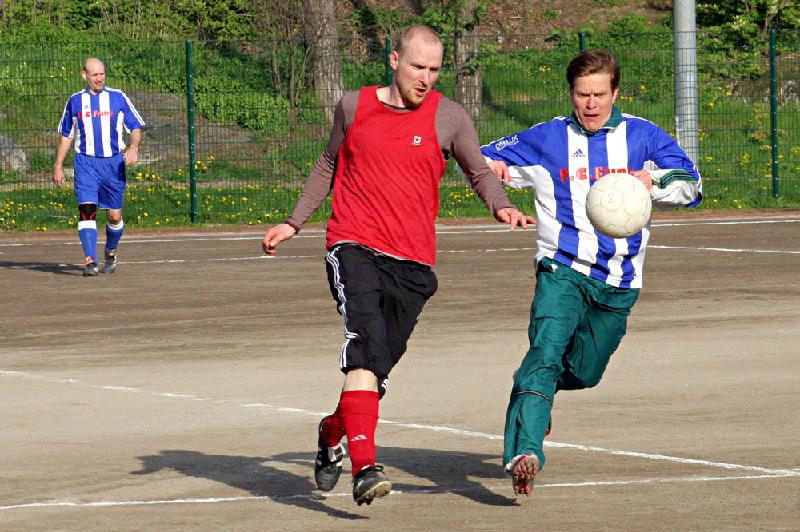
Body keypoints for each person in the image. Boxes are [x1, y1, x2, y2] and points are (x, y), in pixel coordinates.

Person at [262, 24, 534, 506]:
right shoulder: (353, 106)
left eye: (434, 69)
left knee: (376, 368)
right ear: (393, 60)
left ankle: (332, 433)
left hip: (412, 263)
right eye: (416, 67)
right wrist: (294, 221)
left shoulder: (449, 117)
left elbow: (477, 170)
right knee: (366, 344)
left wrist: (501, 205)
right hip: (353, 245)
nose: (425, 78)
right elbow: (327, 164)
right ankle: (365, 468)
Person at [480, 49, 702, 496]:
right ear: (571, 94)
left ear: (615, 93)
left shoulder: (644, 137)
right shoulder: (548, 137)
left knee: (584, 372)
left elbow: (692, 184)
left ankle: (536, 394)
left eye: (600, 94)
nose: (591, 104)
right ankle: (525, 451)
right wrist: (493, 169)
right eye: (583, 94)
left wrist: (653, 182)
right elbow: (479, 157)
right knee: (544, 354)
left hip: (619, 281)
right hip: (561, 269)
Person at [54, 57, 144, 276]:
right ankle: (90, 260)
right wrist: (58, 165)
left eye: (102, 74)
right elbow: (67, 135)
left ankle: (110, 252)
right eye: (94, 75)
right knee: (87, 210)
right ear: (84, 75)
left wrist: (134, 147)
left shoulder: (118, 97)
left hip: (113, 164)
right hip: (86, 163)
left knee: (114, 216)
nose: (99, 78)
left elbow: (134, 126)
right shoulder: (75, 101)